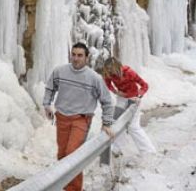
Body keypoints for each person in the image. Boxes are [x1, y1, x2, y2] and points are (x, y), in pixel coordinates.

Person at [43, 42, 114, 191]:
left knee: (72, 155)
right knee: (62, 155)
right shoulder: (60, 71)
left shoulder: (94, 78)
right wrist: (47, 104)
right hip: (62, 117)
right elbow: (50, 87)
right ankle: (64, 185)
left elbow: (107, 101)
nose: (76, 58)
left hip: (81, 119)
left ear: (86, 58)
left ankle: (73, 189)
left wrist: (106, 123)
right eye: (73, 55)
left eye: (80, 55)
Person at [102, 57, 156, 155]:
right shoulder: (109, 74)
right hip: (121, 99)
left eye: (110, 69)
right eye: (107, 69)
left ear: (117, 66)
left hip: (134, 100)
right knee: (117, 123)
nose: (109, 72)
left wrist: (139, 96)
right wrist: (116, 92)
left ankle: (149, 151)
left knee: (133, 126)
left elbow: (144, 85)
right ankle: (117, 148)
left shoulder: (129, 72)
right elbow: (107, 84)